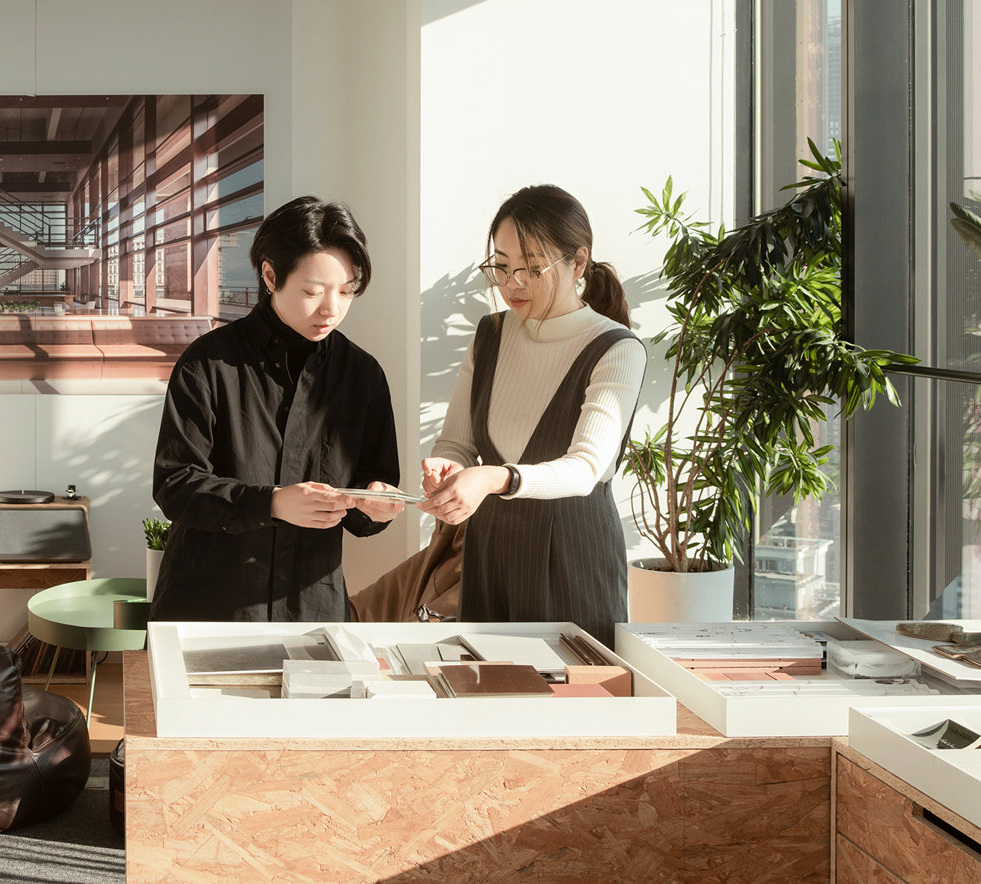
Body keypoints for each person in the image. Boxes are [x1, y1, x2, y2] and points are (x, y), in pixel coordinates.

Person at [151, 196, 405, 622]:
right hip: (210, 607)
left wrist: (376, 506)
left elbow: (368, 496)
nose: (331, 309)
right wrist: (270, 502)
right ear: (270, 275)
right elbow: (175, 485)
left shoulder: (362, 376)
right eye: (312, 291)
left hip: (311, 610)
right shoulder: (209, 363)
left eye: (346, 292)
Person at [419, 184, 645, 644]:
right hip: (491, 550)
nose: (511, 284)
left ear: (578, 263)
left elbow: (586, 470)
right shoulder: (491, 334)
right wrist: (449, 467)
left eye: (531, 268)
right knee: (484, 696)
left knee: (572, 701)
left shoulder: (615, 348)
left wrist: (492, 479)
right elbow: (457, 441)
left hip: (573, 554)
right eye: (501, 266)